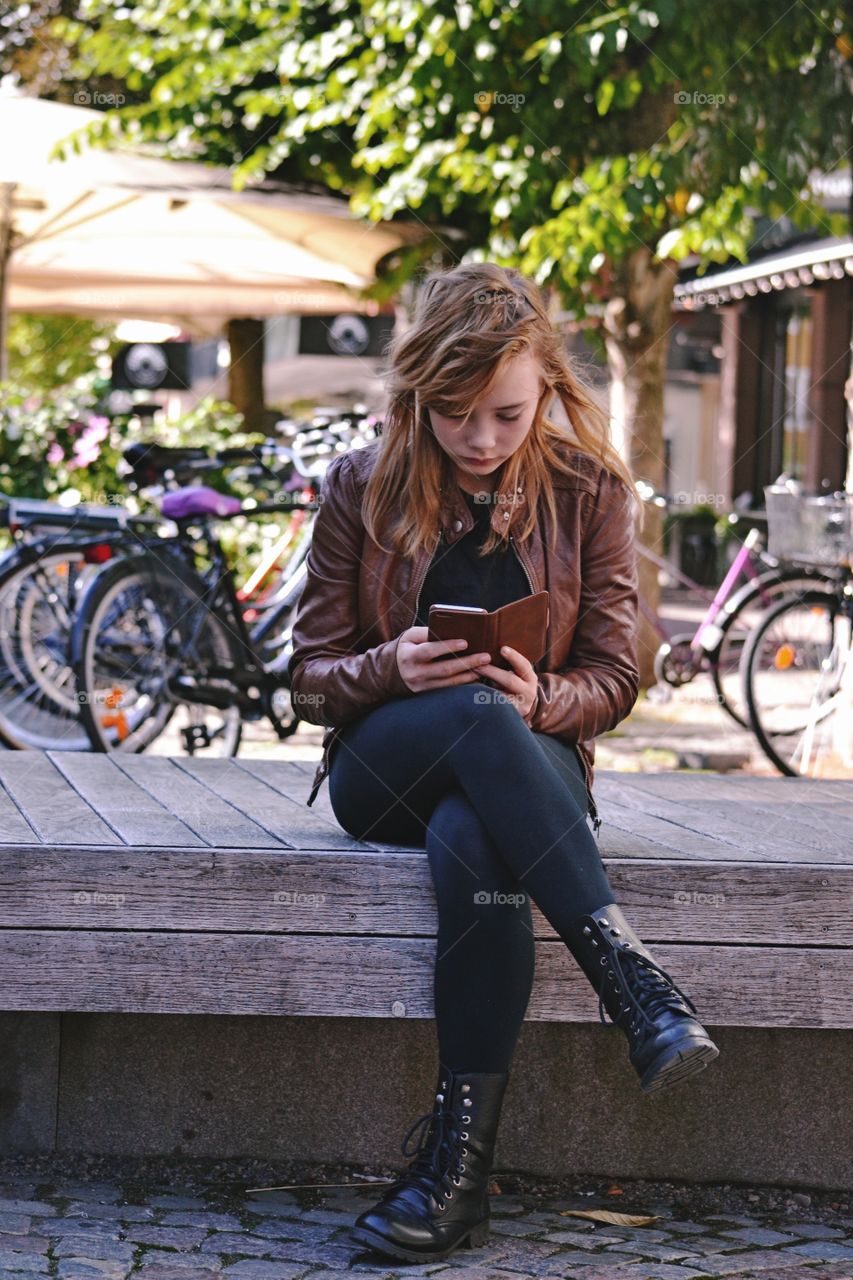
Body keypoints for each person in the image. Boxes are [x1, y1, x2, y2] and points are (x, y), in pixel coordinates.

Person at [287, 262, 719, 1265]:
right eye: (453, 412)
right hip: (383, 766)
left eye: (504, 413)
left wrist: (544, 698)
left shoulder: (590, 491)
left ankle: (457, 1176)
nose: (479, 438)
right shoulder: (360, 482)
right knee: (477, 714)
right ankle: (634, 982)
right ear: (417, 392)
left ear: (546, 389)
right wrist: (385, 665)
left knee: (481, 839)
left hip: (529, 775)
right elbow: (305, 680)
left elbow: (615, 676)